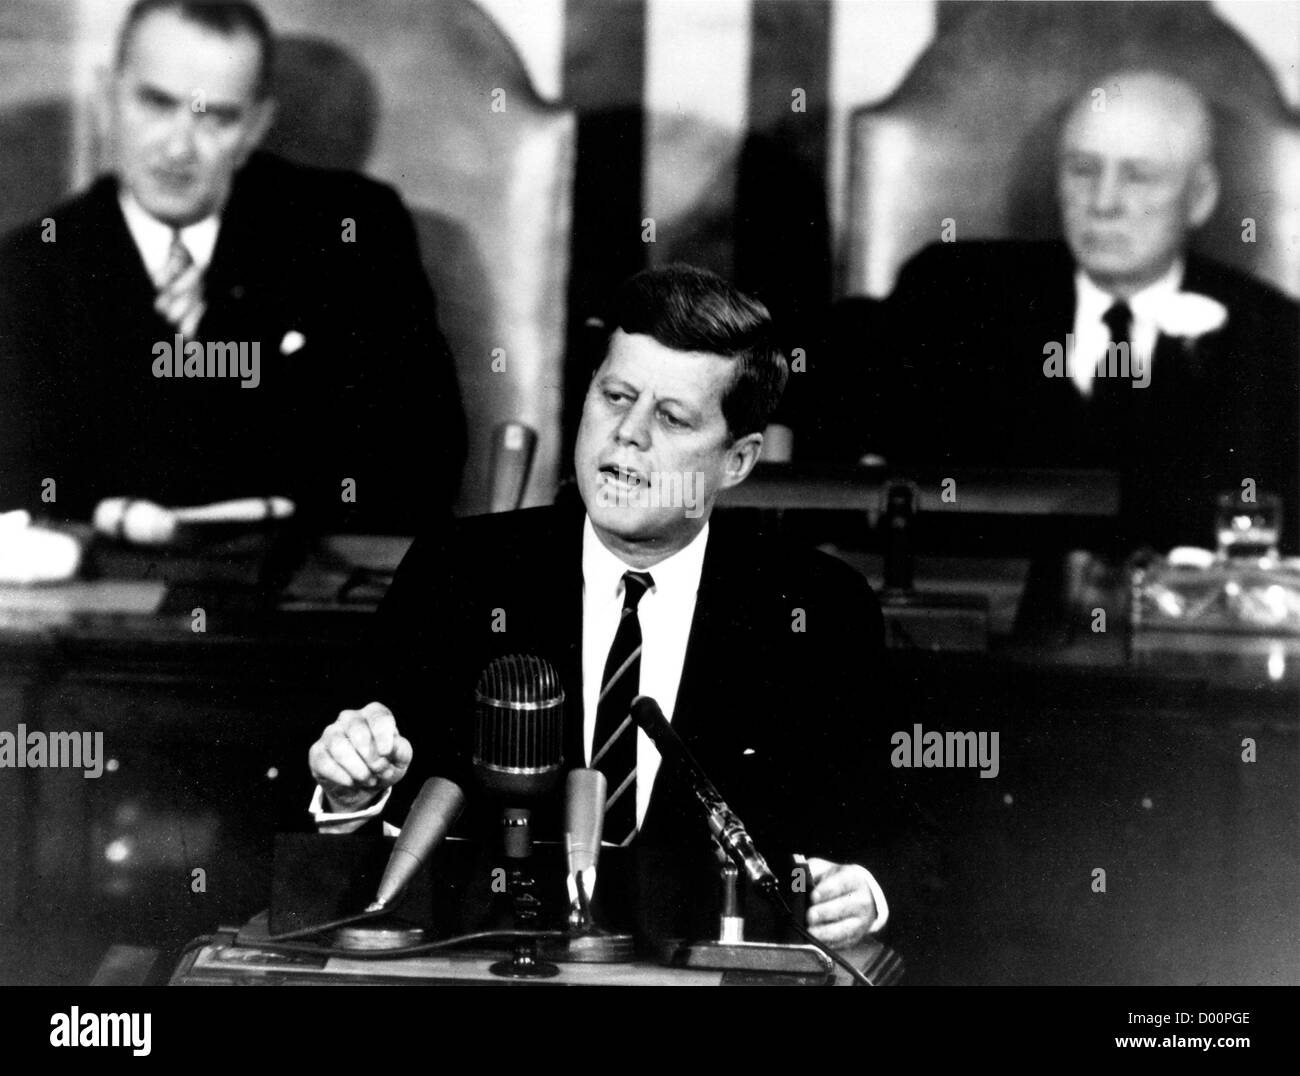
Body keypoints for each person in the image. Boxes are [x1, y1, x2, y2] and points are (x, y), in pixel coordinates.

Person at [306, 266, 901, 949]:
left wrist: (863, 891)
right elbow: (355, 825)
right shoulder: (458, 574)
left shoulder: (817, 609)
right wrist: (352, 795)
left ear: (736, 460)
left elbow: (896, 835)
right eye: (615, 396)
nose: (628, 434)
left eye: (671, 417)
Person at [0, 0, 465, 533]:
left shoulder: (353, 233)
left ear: (256, 127)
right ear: (107, 99)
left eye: (217, 117)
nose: (178, 148)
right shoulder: (29, 268)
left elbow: (422, 460)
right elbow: (23, 491)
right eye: (155, 103)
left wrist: (235, 335)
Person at [860, 69, 1299, 553]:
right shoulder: (951, 297)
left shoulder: (1276, 337)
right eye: (1083, 170)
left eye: (1139, 176)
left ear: (1199, 197)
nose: (1104, 203)